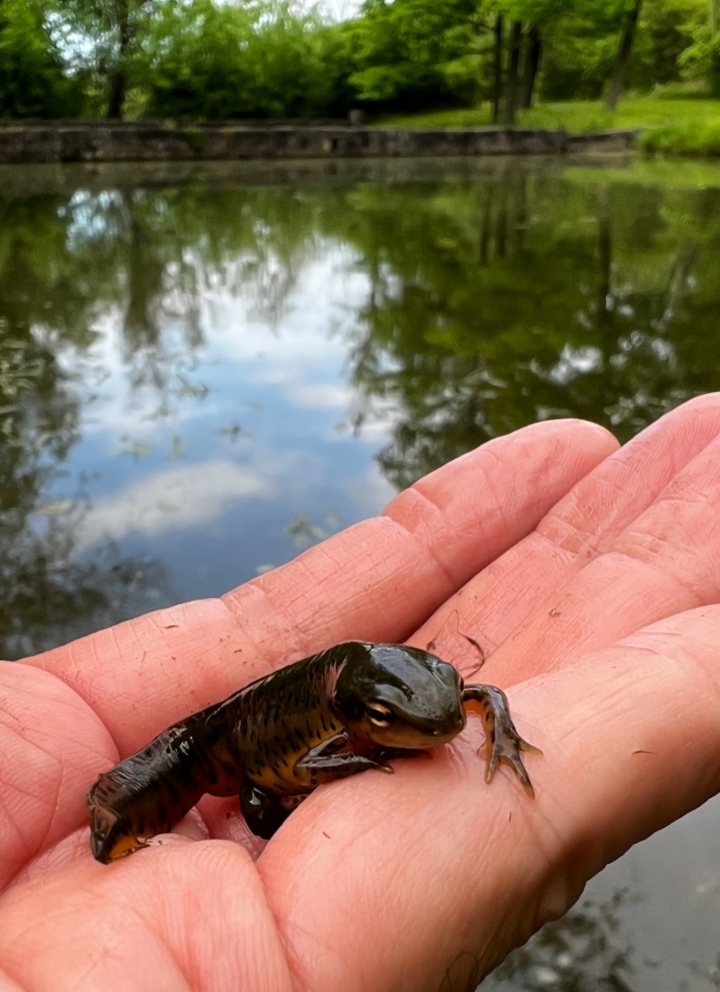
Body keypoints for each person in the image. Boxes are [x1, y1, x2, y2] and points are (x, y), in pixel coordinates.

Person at [2, 393, 720, 991]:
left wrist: (498, 726)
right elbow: (298, 769)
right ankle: (137, 816)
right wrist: (336, 771)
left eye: (444, 712)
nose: (442, 733)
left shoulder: (441, 702)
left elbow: (484, 695)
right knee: (249, 793)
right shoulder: (328, 734)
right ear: (359, 717)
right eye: (390, 722)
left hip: (334, 692)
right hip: (234, 753)